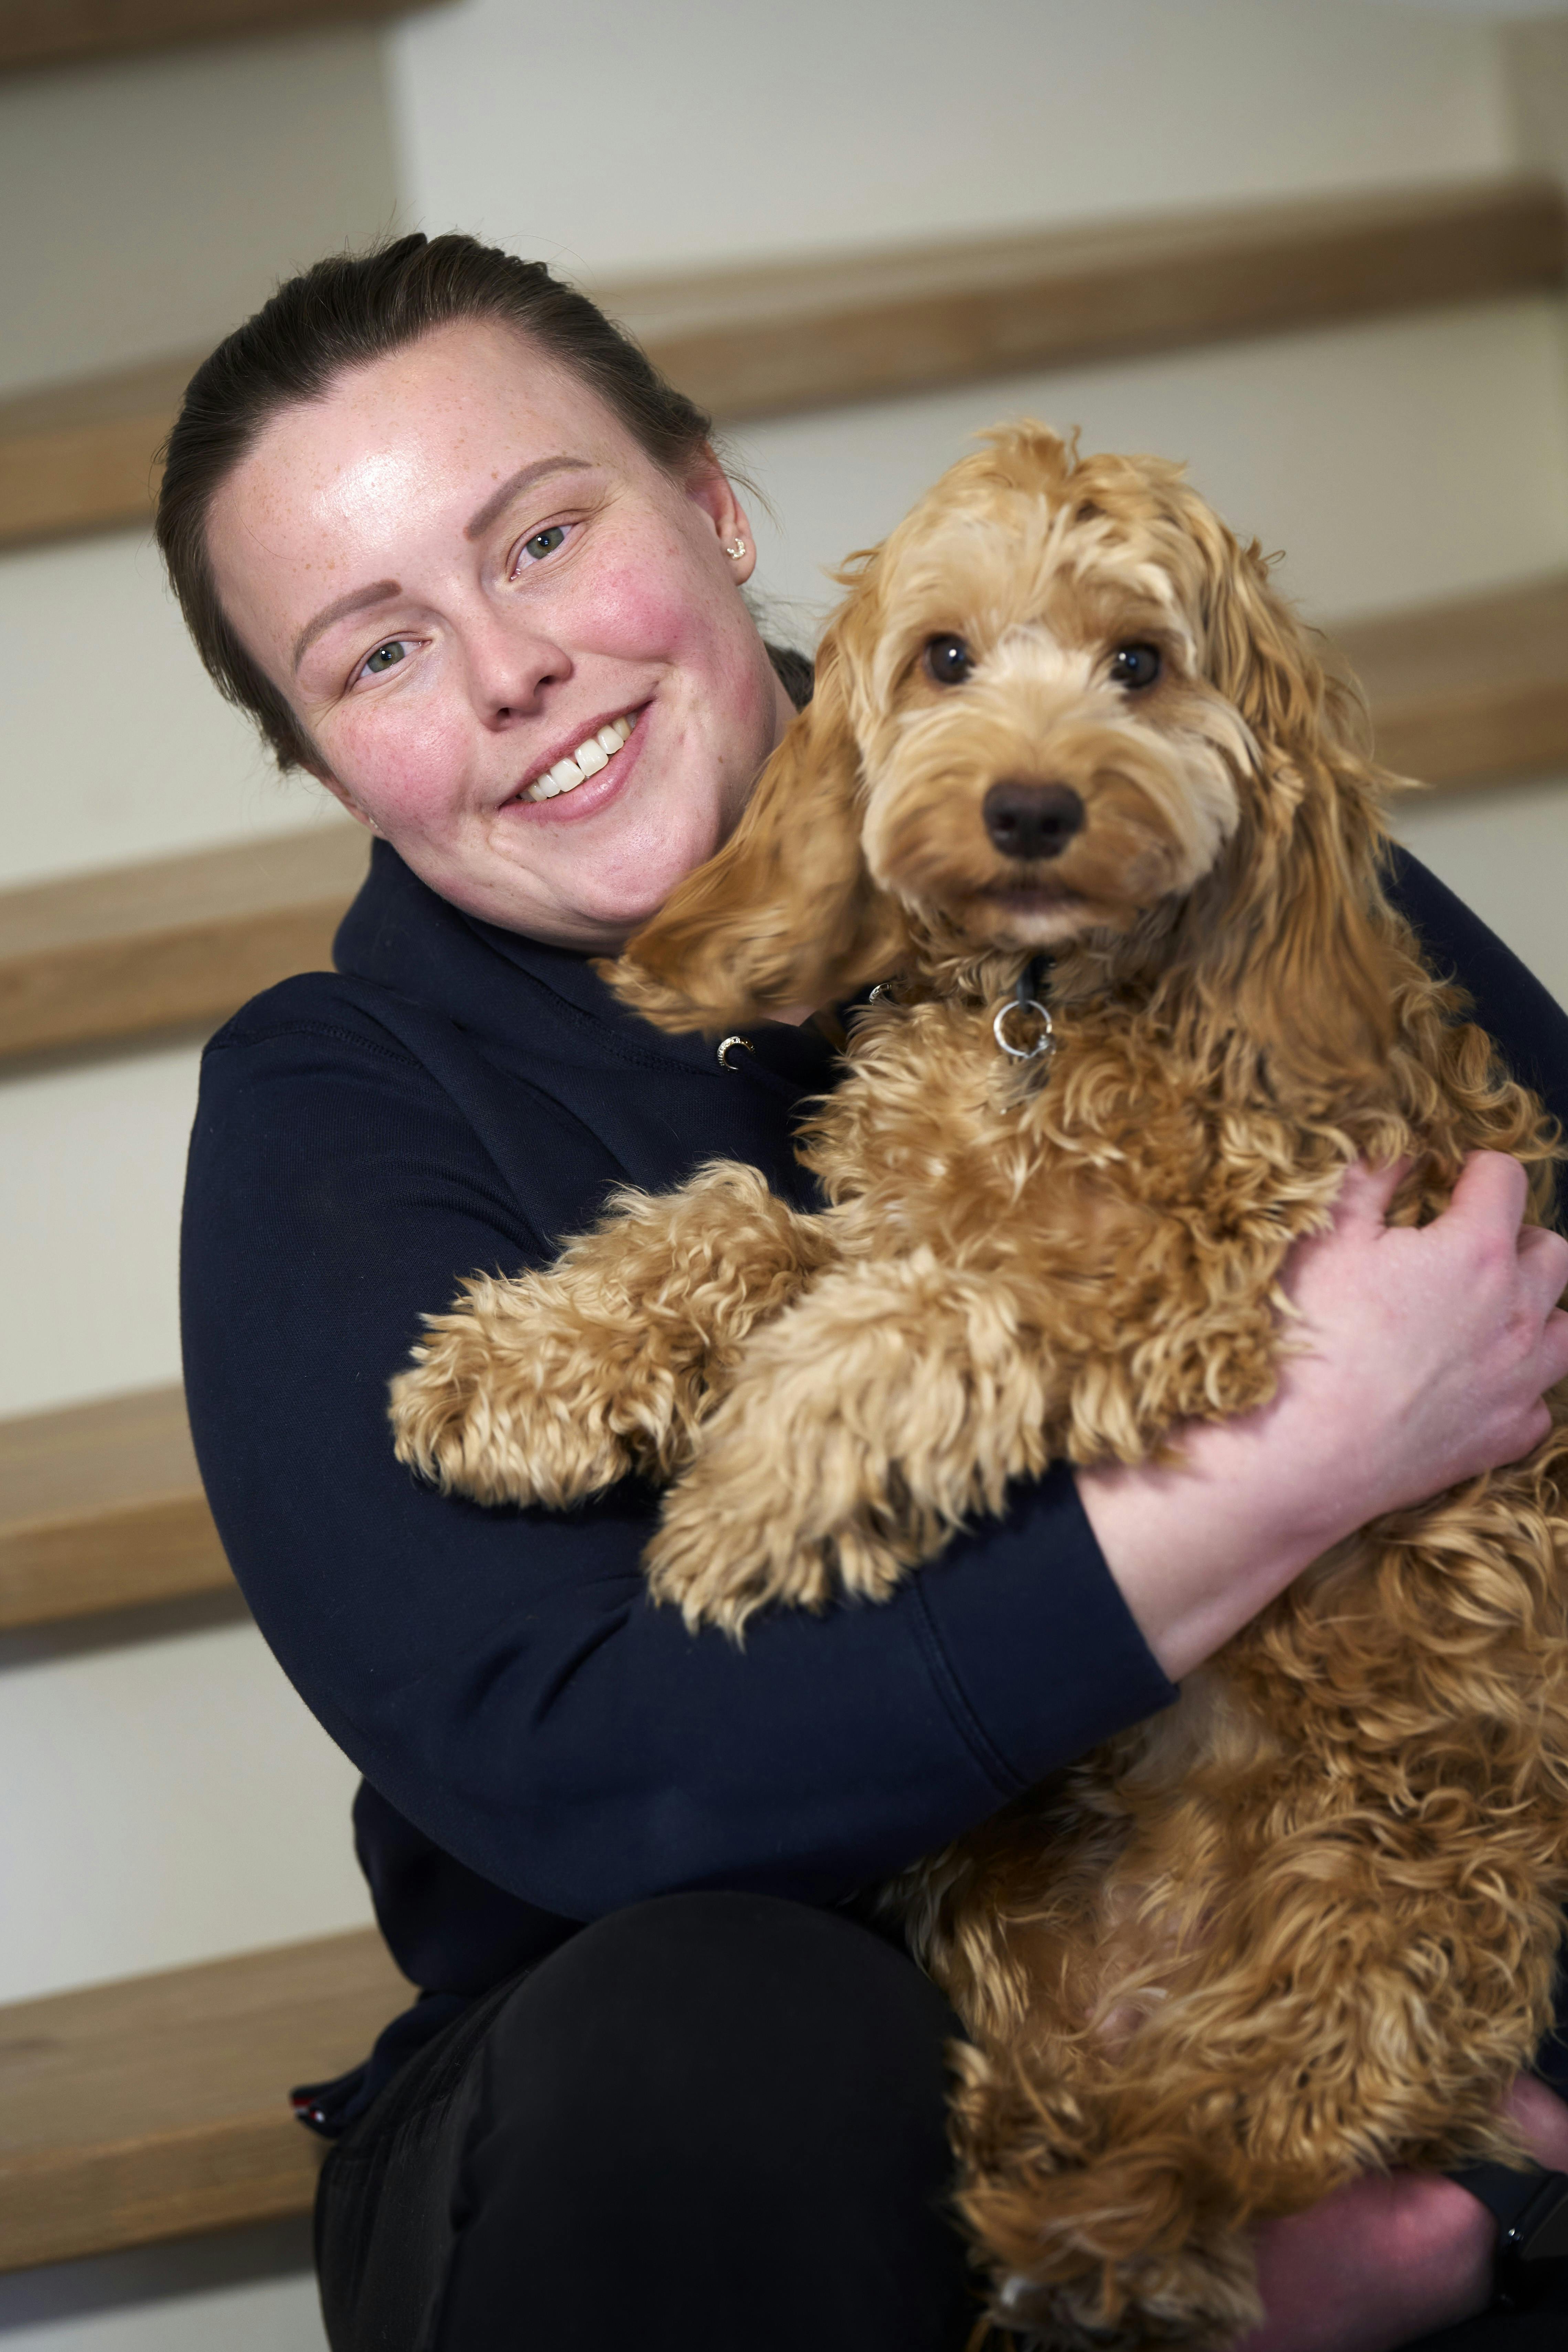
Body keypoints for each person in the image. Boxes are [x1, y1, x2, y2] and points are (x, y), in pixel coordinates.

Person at [162, 233, 1568, 2352]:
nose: (511, 668)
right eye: (377, 655)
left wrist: (1491, 2170)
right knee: (713, 2019)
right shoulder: (331, 1108)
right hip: (691, 2127)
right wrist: (1297, 1464)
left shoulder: (1179, 815)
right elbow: (605, 1783)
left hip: (1322, 1985)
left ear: (711, 504)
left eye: (542, 538)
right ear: (324, 761)